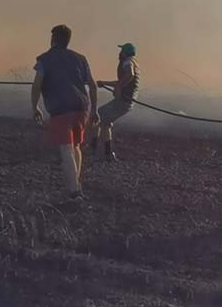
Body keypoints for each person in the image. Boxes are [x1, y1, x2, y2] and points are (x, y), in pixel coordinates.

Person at [31, 24, 98, 201]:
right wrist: (94, 110)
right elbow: (92, 86)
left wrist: (35, 107)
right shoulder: (80, 59)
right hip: (81, 108)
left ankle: (74, 192)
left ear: (53, 39)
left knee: (66, 148)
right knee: (76, 146)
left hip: (61, 109)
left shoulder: (45, 59)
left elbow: (37, 85)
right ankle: (76, 184)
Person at [87, 42, 141, 161]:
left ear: (125, 53)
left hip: (124, 101)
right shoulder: (133, 62)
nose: (119, 53)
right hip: (126, 101)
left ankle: (94, 149)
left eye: (121, 51)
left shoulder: (127, 62)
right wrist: (105, 83)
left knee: (98, 116)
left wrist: (118, 86)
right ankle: (107, 153)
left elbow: (129, 75)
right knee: (105, 122)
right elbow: (124, 80)